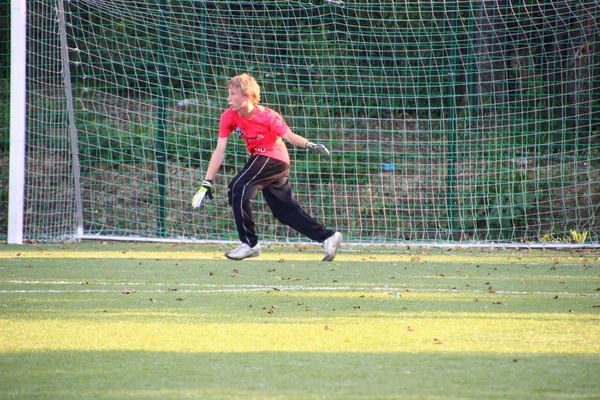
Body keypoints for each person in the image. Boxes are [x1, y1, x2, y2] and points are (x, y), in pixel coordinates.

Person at [192, 73, 342, 261]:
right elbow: (219, 150)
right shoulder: (228, 116)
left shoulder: (268, 116)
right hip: (263, 160)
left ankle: (250, 244)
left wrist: (309, 144)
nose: (228, 98)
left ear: (247, 96)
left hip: (274, 159)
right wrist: (207, 182)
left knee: (238, 188)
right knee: (284, 211)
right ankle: (327, 236)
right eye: (228, 94)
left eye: (233, 94)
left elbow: (289, 135)